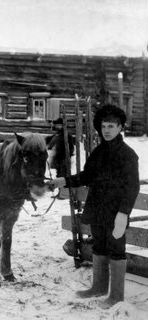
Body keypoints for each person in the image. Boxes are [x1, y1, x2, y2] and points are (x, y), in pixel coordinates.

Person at [48, 104, 140, 309]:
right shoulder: (98, 152)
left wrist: (123, 214)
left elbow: (132, 187)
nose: (106, 130)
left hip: (116, 212)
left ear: (120, 128)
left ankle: (116, 296)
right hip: (97, 208)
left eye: (111, 126)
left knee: (116, 249)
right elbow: (86, 176)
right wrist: (63, 180)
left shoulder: (128, 155)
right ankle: (98, 287)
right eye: (103, 126)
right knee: (99, 246)